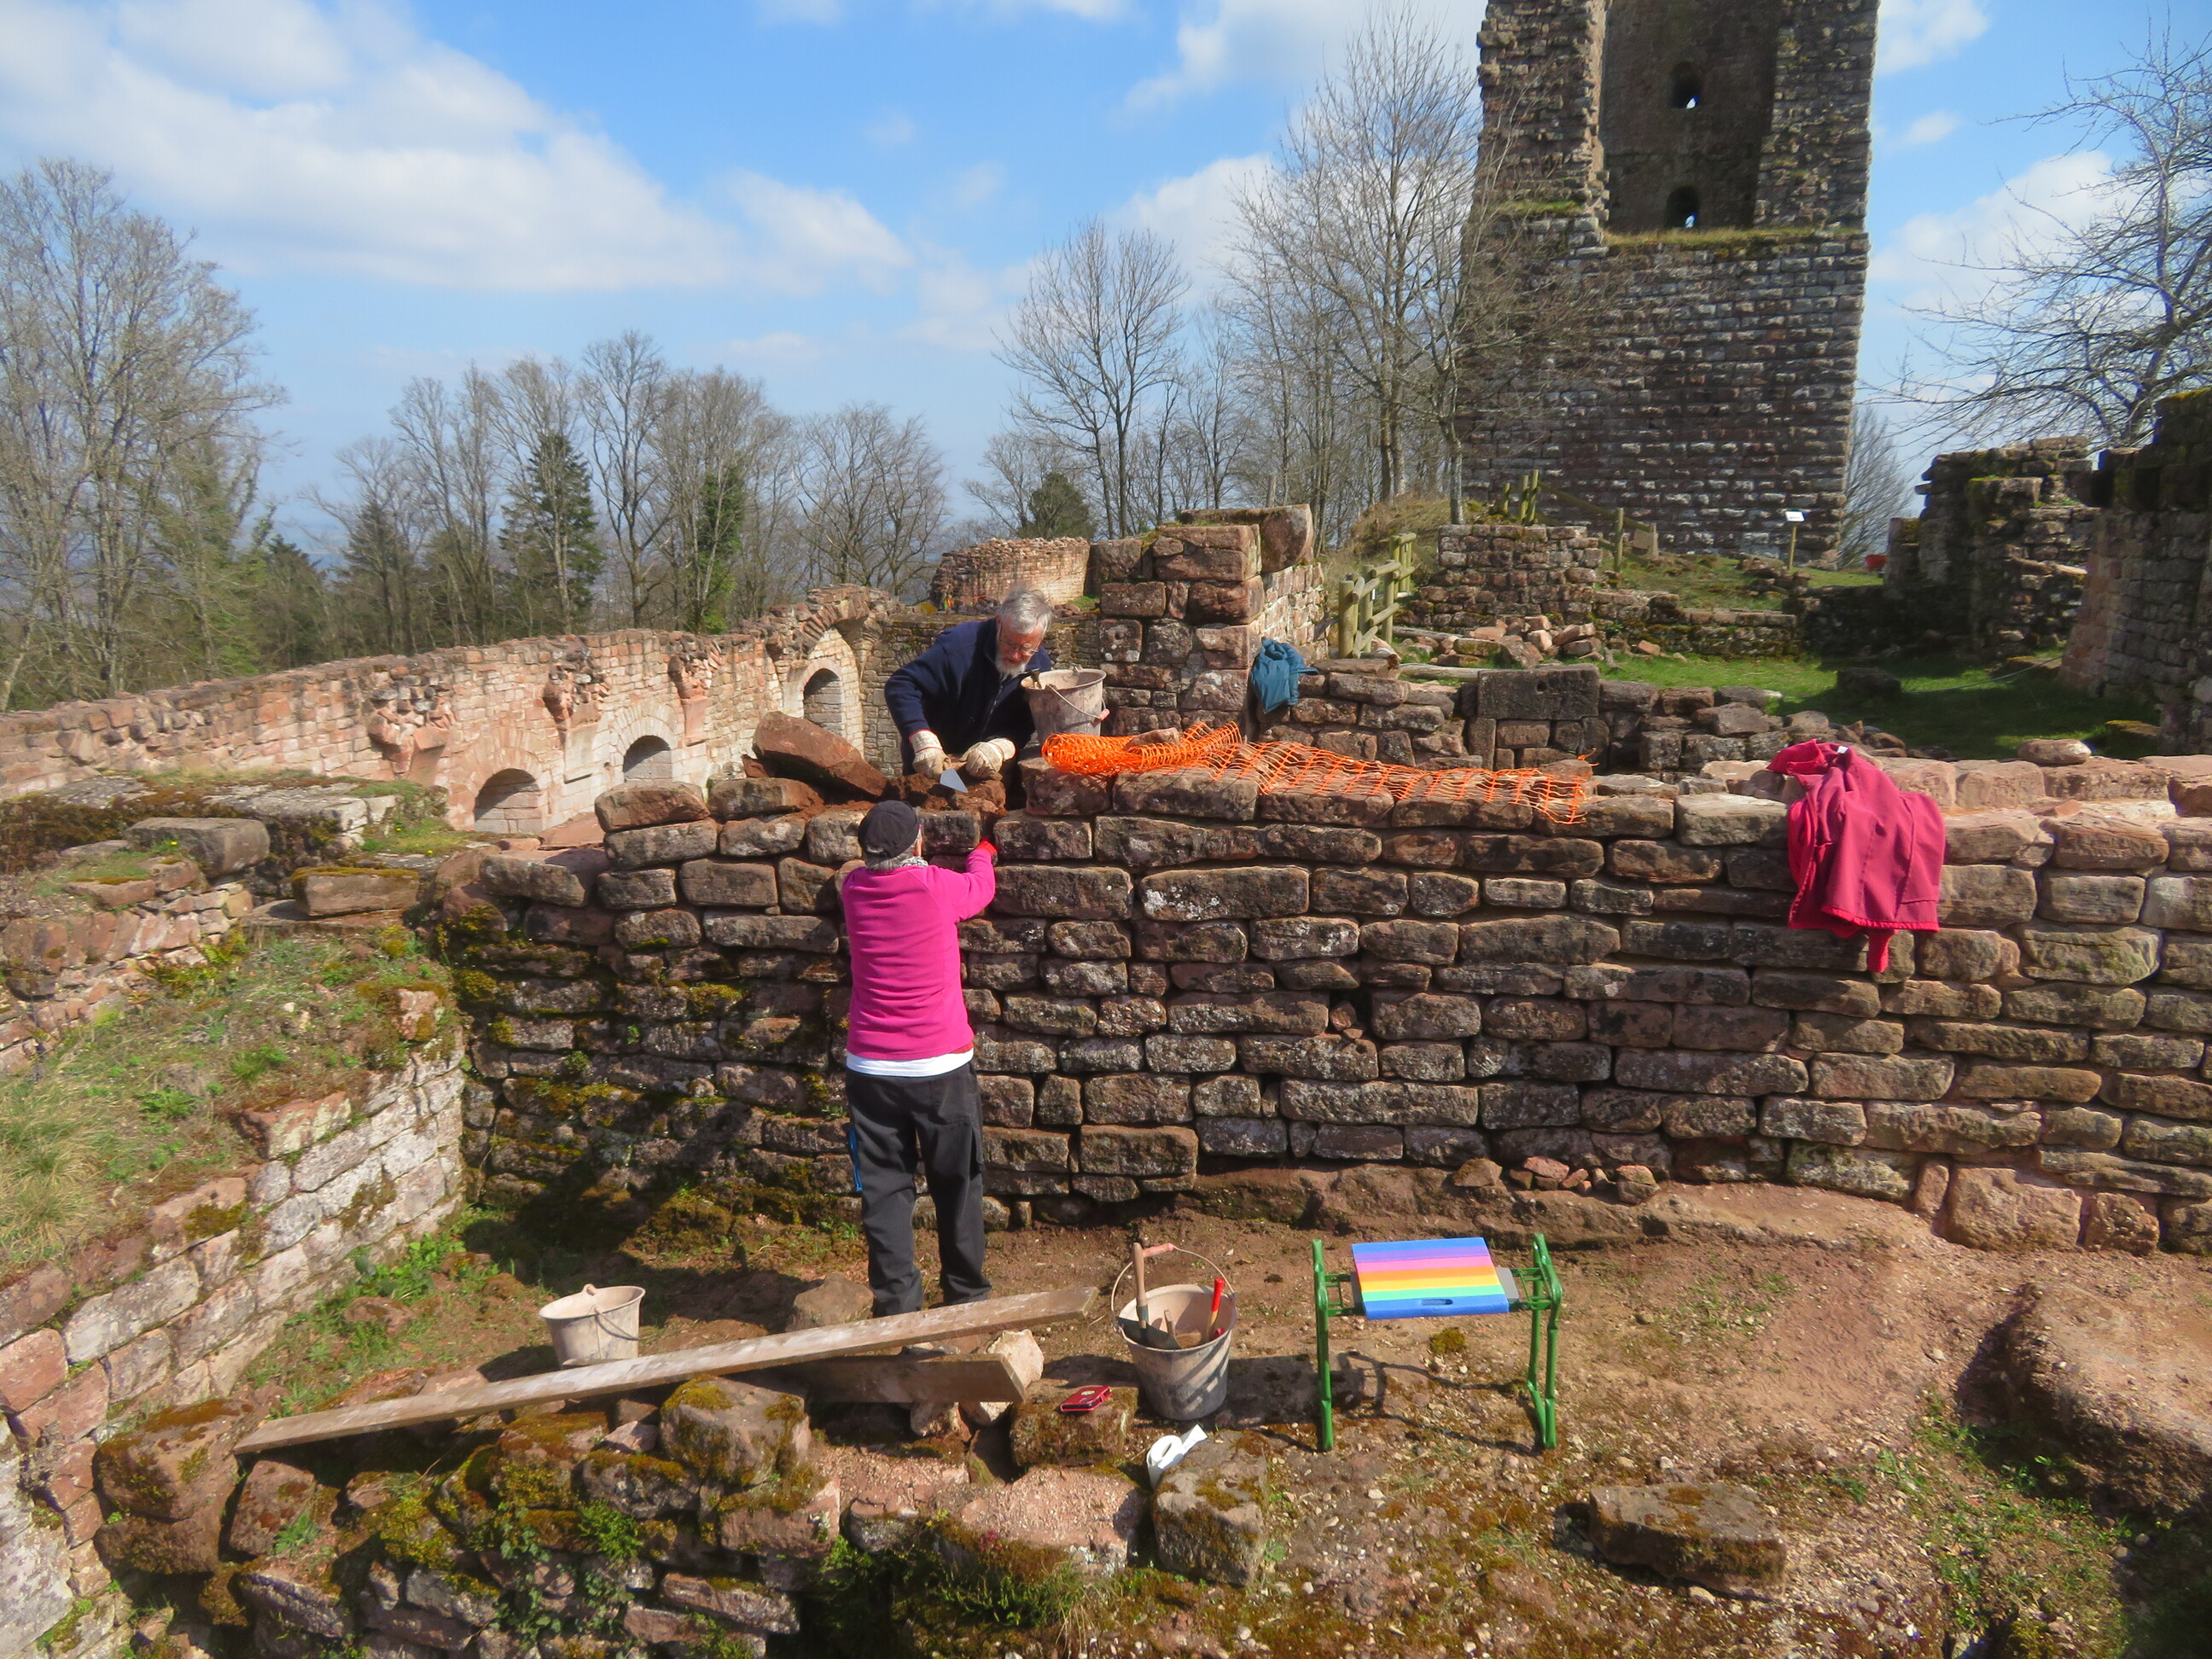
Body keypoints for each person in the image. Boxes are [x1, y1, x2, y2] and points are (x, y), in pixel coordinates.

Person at [836, 798, 998, 1317]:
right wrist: (983, 851)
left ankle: (897, 1309)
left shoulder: (853, 889)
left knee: (884, 1191)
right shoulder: (934, 886)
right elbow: (981, 889)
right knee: (957, 1184)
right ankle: (966, 1298)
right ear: (919, 842)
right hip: (939, 1066)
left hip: (870, 1069)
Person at [884, 586, 1054, 780]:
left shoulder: (1039, 666)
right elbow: (901, 685)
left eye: (1026, 648)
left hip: (986, 770)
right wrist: (922, 738)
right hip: (934, 763)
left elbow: (1026, 721)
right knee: (932, 798)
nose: (1015, 655)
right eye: (1010, 643)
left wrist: (1003, 745)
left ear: (1040, 640)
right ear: (998, 623)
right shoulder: (957, 647)